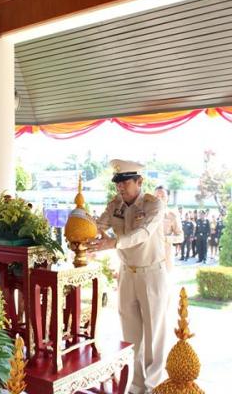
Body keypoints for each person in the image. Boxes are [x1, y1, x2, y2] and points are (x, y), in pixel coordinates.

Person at [90, 159, 168, 394]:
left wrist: (113, 242)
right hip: (127, 274)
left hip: (151, 274)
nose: (120, 187)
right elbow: (97, 225)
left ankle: (153, 387)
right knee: (130, 336)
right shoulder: (115, 205)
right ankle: (136, 385)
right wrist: (83, 226)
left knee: (153, 335)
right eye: (117, 183)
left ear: (139, 182)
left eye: (125, 182)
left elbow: (142, 234)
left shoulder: (153, 205)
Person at [154, 186, 183, 272]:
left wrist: (165, 238)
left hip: (165, 257)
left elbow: (180, 237)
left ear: (168, 198)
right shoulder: (146, 214)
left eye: (162, 196)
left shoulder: (172, 215)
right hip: (148, 257)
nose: (159, 199)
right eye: (157, 196)